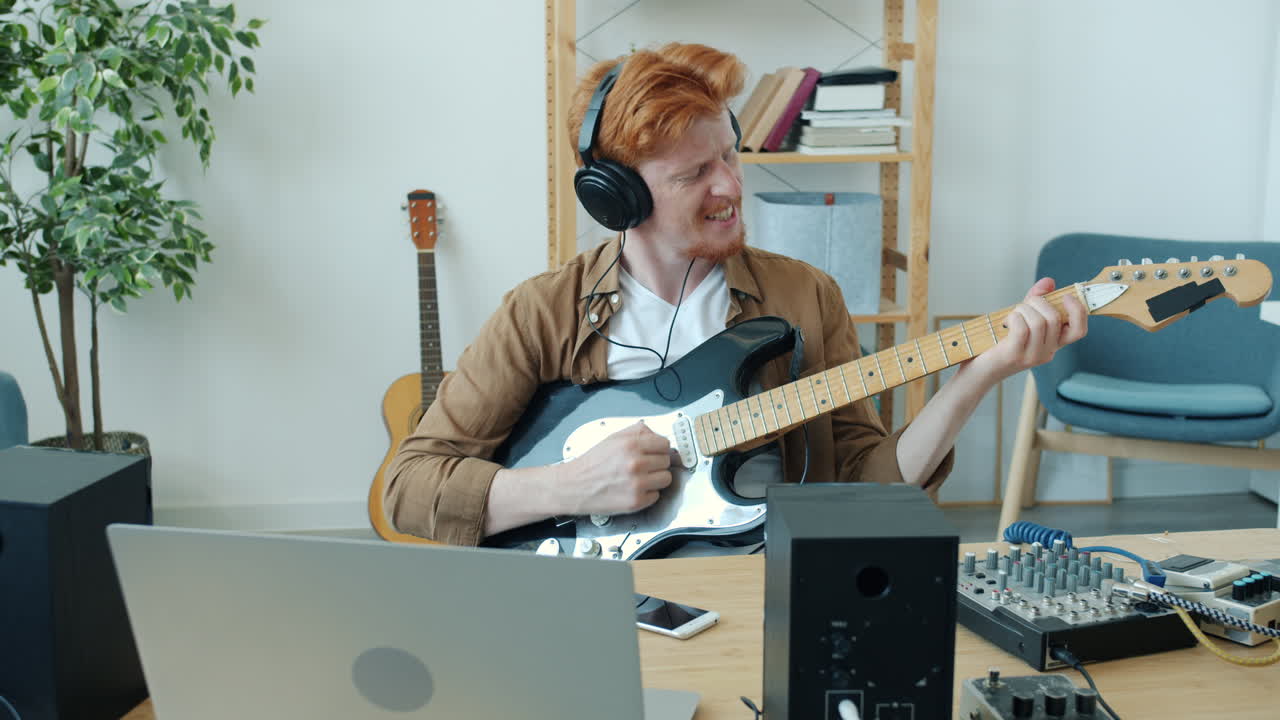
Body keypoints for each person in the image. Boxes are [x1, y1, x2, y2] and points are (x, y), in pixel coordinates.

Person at [383, 42, 1086, 548]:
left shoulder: (805, 296)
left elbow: (867, 488)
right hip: (591, 591)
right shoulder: (543, 312)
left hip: (763, 580)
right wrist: (568, 488)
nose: (730, 185)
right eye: (695, 174)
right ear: (618, 197)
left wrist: (974, 380)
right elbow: (408, 489)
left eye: (729, 154)